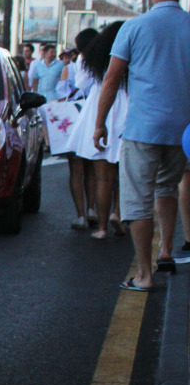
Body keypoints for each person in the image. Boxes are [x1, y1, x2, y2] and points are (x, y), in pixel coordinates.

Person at [94, 0, 190, 291]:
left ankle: (144, 274)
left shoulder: (134, 27)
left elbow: (111, 79)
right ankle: (165, 250)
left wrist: (99, 124)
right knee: (167, 187)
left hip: (142, 128)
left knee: (137, 201)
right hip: (182, 129)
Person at [65, 23, 126, 239]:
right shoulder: (132, 54)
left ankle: (101, 227)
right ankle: (118, 212)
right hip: (127, 109)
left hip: (99, 110)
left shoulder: (93, 57)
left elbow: (81, 84)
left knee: (103, 178)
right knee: (124, 174)